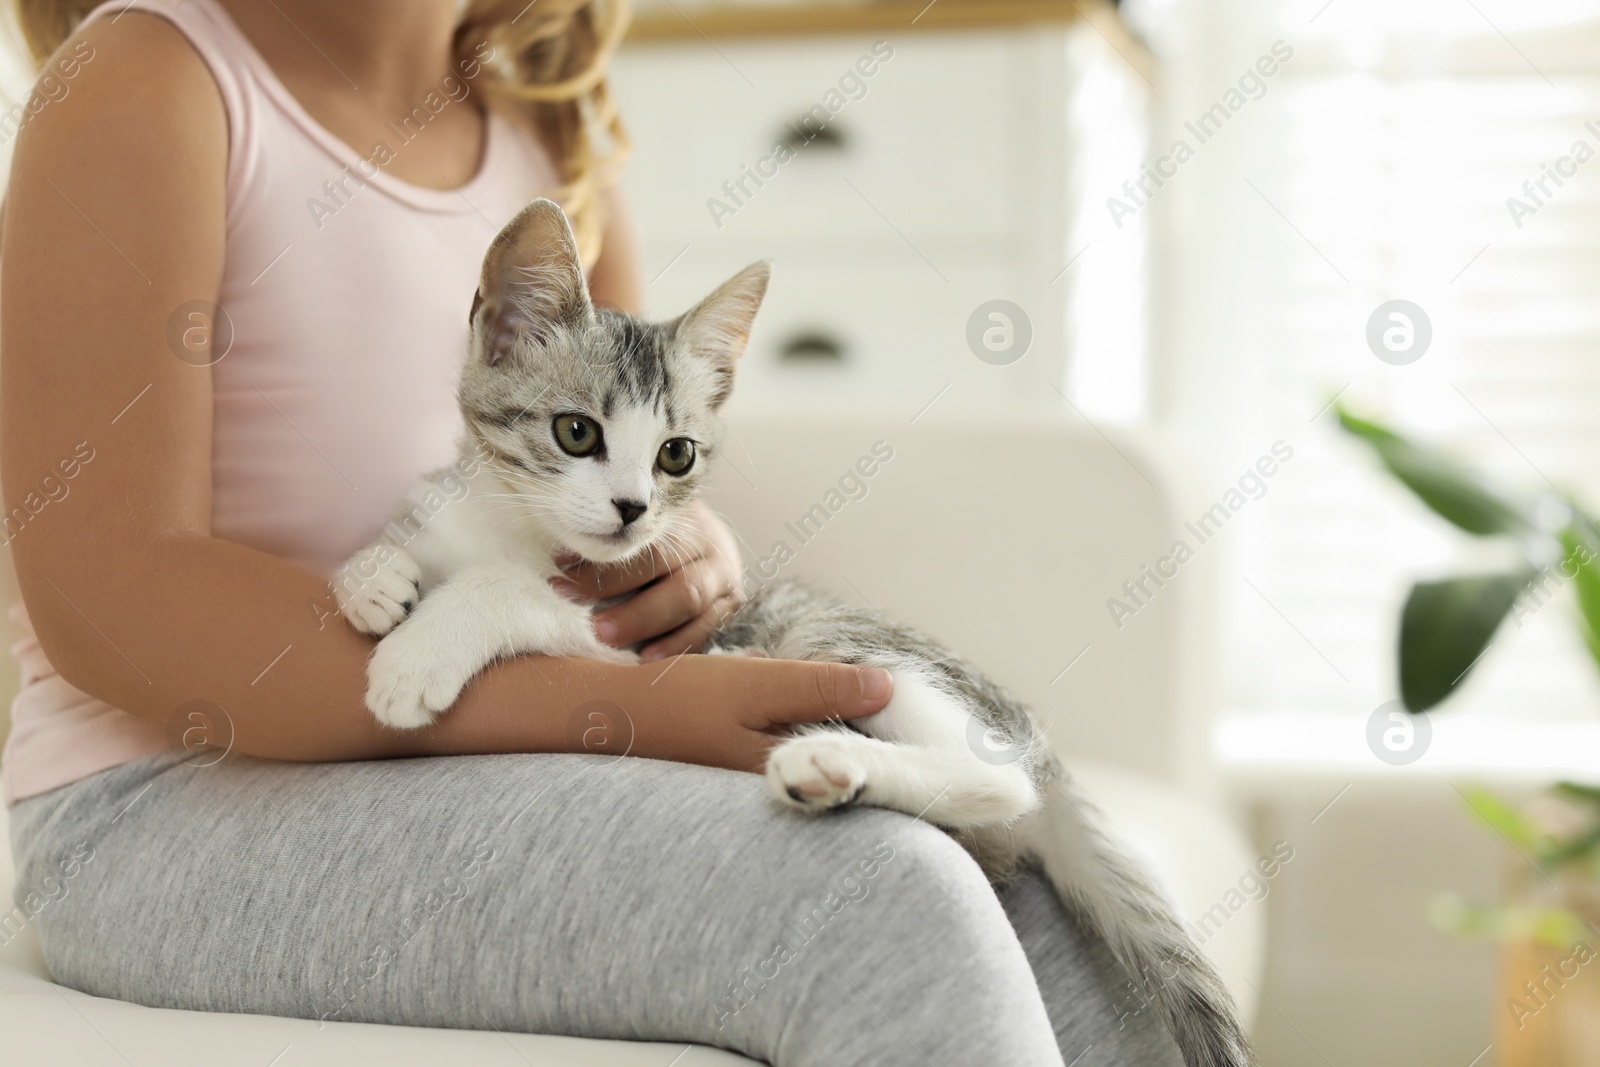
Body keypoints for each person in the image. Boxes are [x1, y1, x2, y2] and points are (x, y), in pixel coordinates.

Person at [0, 2, 1182, 1063]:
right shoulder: (146, 79)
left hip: (489, 725)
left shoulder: (548, 137)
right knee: (872, 894)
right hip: (164, 810)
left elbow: (628, 464)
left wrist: (691, 549)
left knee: (1046, 902)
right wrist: (615, 713)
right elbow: (112, 594)